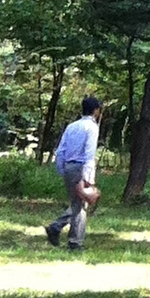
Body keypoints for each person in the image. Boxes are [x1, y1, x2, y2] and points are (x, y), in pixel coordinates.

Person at [45, 95, 103, 251]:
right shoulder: (92, 127)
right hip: (80, 167)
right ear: (95, 110)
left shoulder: (72, 126)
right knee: (81, 206)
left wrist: (61, 169)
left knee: (77, 203)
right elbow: (89, 154)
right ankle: (74, 241)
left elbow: (61, 150)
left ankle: (57, 228)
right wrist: (89, 178)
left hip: (69, 167)